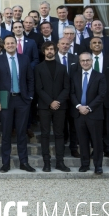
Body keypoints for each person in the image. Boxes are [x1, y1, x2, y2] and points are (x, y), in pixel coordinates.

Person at [0, 35, 35, 173]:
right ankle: (6, 163)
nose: (10, 45)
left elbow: (30, 79)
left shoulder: (24, 58)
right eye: (7, 43)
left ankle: (24, 162)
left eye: (12, 43)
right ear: (4, 45)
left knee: (22, 132)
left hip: (22, 100)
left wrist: (30, 96)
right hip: (5, 99)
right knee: (6, 132)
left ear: (16, 44)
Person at [35, 41, 71, 172]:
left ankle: (60, 162)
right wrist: (50, 102)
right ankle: (47, 163)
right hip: (45, 106)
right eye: (47, 49)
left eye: (51, 49)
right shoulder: (38, 68)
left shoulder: (62, 68)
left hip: (60, 107)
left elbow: (67, 87)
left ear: (55, 51)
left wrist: (57, 101)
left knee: (59, 134)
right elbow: (38, 88)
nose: (50, 51)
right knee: (45, 134)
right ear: (44, 52)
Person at [70, 53, 106, 175]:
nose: (85, 63)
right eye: (82, 61)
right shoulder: (74, 76)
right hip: (79, 114)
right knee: (82, 141)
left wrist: (89, 108)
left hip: (94, 114)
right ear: (79, 62)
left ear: (91, 61)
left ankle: (98, 166)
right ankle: (84, 164)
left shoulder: (100, 76)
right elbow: (72, 93)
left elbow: (101, 95)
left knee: (96, 141)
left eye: (87, 60)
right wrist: (79, 106)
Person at [88, 37, 109, 161]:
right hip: (90, 99)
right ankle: (95, 149)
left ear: (103, 45)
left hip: (107, 99)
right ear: (90, 45)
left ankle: (107, 149)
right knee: (93, 126)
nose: (97, 45)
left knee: (106, 125)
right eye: (94, 43)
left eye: (99, 43)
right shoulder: (85, 59)